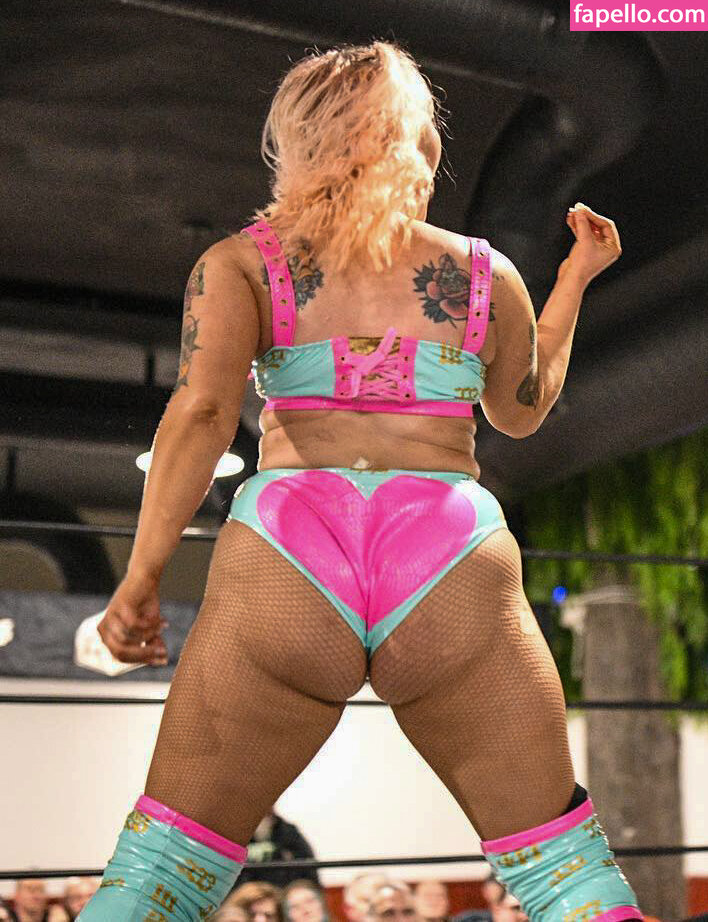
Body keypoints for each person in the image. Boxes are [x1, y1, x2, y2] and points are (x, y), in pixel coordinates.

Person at [77, 39, 639, 922]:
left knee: (159, 874)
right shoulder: (481, 274)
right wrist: (571, 281)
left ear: (296, 139)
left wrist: (140, 578)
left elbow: (201, 415)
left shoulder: (241, 263)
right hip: (448, 553)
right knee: (567, 876)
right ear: (417, 139)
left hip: (290, 549)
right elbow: (522, 409)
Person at [238, 809, 321, 888]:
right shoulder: (239, 836)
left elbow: (306, 862)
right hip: (249, 890)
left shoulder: (287, 831)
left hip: (284, 888)